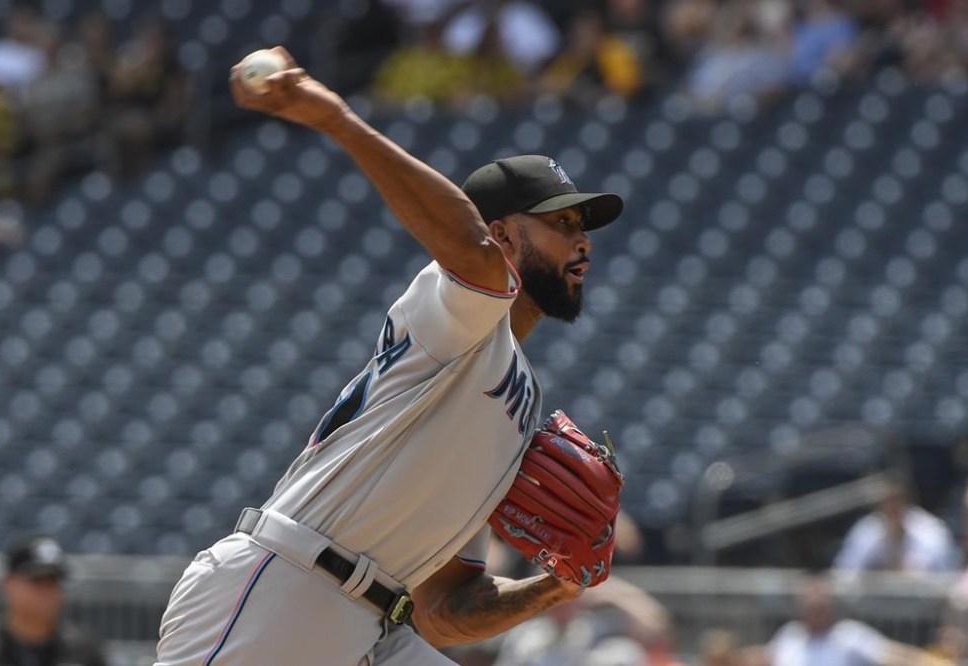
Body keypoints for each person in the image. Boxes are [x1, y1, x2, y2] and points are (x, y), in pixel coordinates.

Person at [155, 46, 625, 666]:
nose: (582, 240)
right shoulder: (455, 315)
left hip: (378, 625)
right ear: (505, 234)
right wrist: (335, 119)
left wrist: (554, 586)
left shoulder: (520, 398)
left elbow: (444, 609)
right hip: (283, 590)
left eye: (581, 225)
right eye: (560, 222)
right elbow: (470, 249)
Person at [0, 536, 107, 666]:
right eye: (36, 581)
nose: (46, 592)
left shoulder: (85, 649)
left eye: (53, 581)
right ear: (7, 584)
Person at [768, 574, 944, 666]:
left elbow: (893, 655)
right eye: (809, 608)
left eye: (819, 608)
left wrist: (934, 662)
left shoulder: (849, 636)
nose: (814, 613)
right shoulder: (789, 635)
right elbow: (763, 657)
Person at [832, 472, 959, 574]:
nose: (892, 507)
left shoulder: (931, 531)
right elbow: (844, 574)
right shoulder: (864, 531)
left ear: (908, 500)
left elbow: (947, 575)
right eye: (886, 501)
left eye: (896, 499)